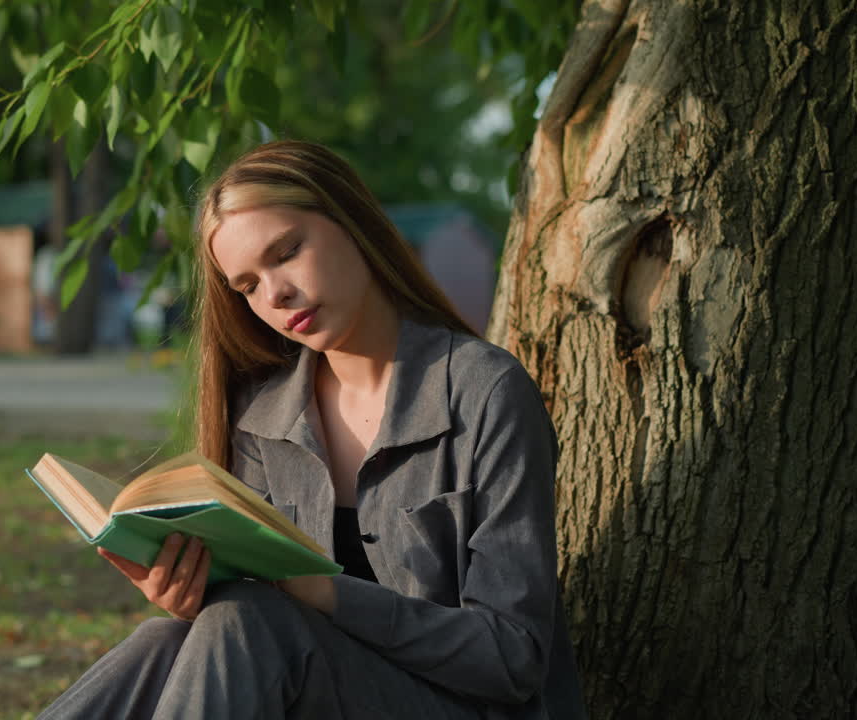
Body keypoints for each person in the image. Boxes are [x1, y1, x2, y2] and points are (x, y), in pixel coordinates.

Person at [36, 140, 586, 720]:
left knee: (253, 623)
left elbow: (513, 658)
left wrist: (325, 592)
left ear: (351, 221)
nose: (275, 294)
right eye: (248, 286)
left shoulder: (484, 391)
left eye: (287, 252)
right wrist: (190, 596)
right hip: (322, 693)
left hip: (463, 708)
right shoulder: (263, 415)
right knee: (163, 640)